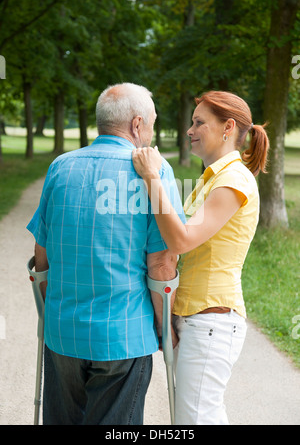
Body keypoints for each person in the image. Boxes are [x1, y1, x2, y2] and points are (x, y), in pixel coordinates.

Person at [27, 82, 185, 425]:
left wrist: (51, 311)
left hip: (63, 332)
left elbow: (41, 256)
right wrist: (164, 328)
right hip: (124, 336)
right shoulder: (155, 173)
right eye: (153, 122)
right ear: (137, 124)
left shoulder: (60, 167)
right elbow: (161, 262)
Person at [132, 90, 270, 425]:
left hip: (211, 322)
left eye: (199, 123)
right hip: (194, 319)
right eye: (191, 122)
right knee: (194, 418)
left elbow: (180, 240)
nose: (189, 130)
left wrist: (152, 178)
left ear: (228, 127)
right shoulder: (212, 179)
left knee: (195, 419)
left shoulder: (234, 179)